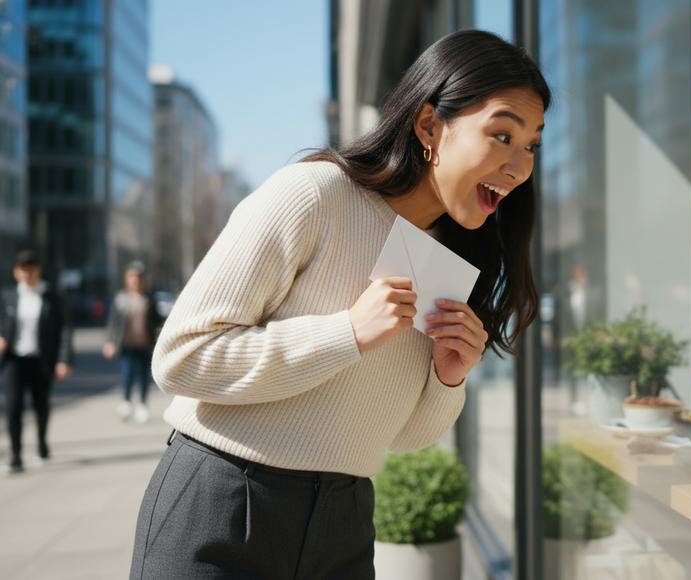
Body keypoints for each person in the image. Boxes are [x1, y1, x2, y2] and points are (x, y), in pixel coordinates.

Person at [129, 29, 549, 579]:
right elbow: (181, 358)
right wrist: (347, 332)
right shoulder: (314, 194)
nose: (520, 167)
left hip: (345, 522)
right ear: (429, 125)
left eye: (532, 145)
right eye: (502, 135)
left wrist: (448, 380)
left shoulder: (445, 260)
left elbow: (401, 439)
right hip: (224, 504)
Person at [0, 249, 74, 473]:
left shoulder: (51, 296)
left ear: (38, 271)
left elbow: (65, 330)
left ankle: (42, 442)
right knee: (13, 407)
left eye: (30, 270)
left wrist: (64, 360)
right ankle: (15, 455)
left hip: (42, 360)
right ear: (16, 272)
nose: (27, 274)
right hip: (14, 360)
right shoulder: (8, 296)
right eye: (22, 270)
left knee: (41, 405)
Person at [103, 261, 161, 424]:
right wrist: (110, 342)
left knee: (143, 375)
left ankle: (142, 404)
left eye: (137, 278)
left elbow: (156, 322)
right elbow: (113, 323)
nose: (134, 281)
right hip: (126, 344)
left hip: (145, 344)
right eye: (131, 277)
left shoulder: (150, 298)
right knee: (127, 373)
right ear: (126, 279)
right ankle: (126, 401)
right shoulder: (120, 299)